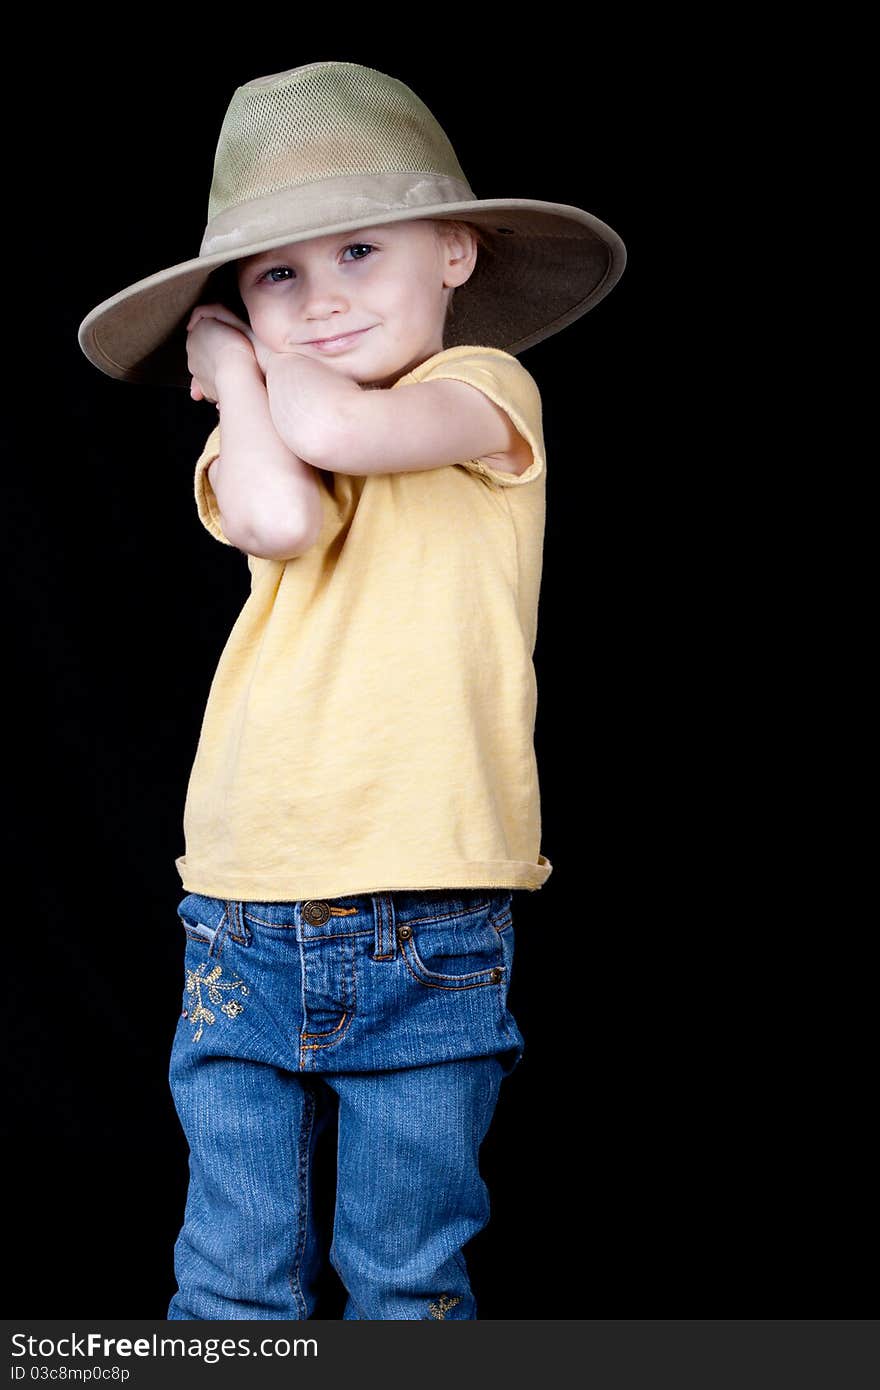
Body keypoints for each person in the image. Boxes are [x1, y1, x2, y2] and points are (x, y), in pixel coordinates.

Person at [77, 60, 626, 1321]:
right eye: (278, 276)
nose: (320, 303)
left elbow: (336, 435)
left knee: (404, 1272)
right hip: (244, 890)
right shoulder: (254, 429)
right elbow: (280, 514)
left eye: (361, 253)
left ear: (454, 253)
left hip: (428, 894)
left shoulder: (482, 395)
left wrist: (228, 342)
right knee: (228, 1273)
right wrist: (234, 365)